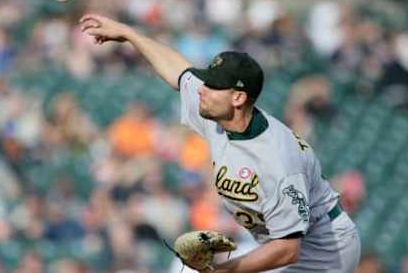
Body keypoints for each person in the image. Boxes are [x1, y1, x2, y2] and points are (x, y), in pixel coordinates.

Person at [79, 14, 361, 272]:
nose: (202, 88)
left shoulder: (277, 159)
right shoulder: (217, 114)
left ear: (238, 98)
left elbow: (288, 249)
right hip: (279, 242)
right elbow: (179, 71)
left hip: (323, 250)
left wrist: (223, 271)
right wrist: (130, 34)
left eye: (213, 85)